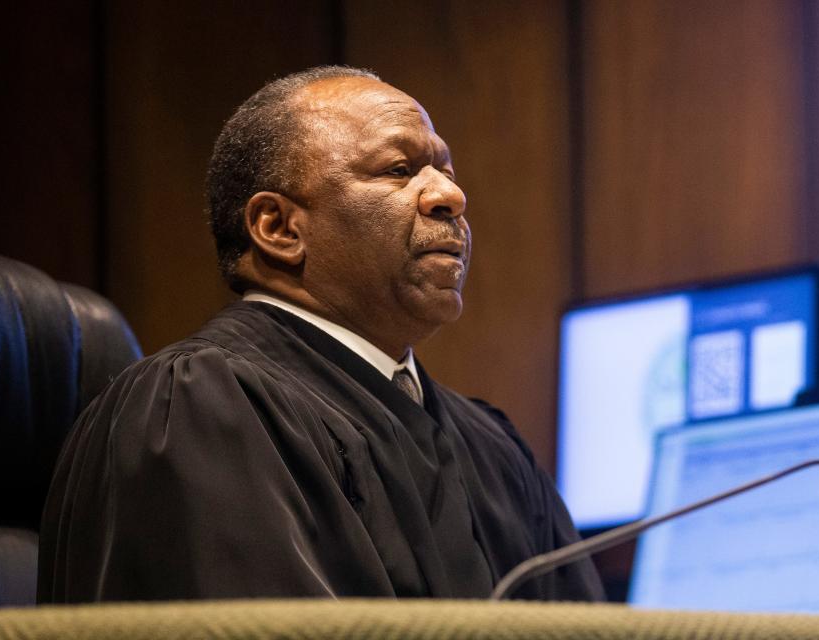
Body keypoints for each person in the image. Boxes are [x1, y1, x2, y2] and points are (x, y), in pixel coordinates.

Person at [37, 66, 604, 602]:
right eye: (398, 171)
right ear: (280, 228)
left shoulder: (494, 448)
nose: (450, 197)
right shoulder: (199, 407)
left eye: (446, 173)